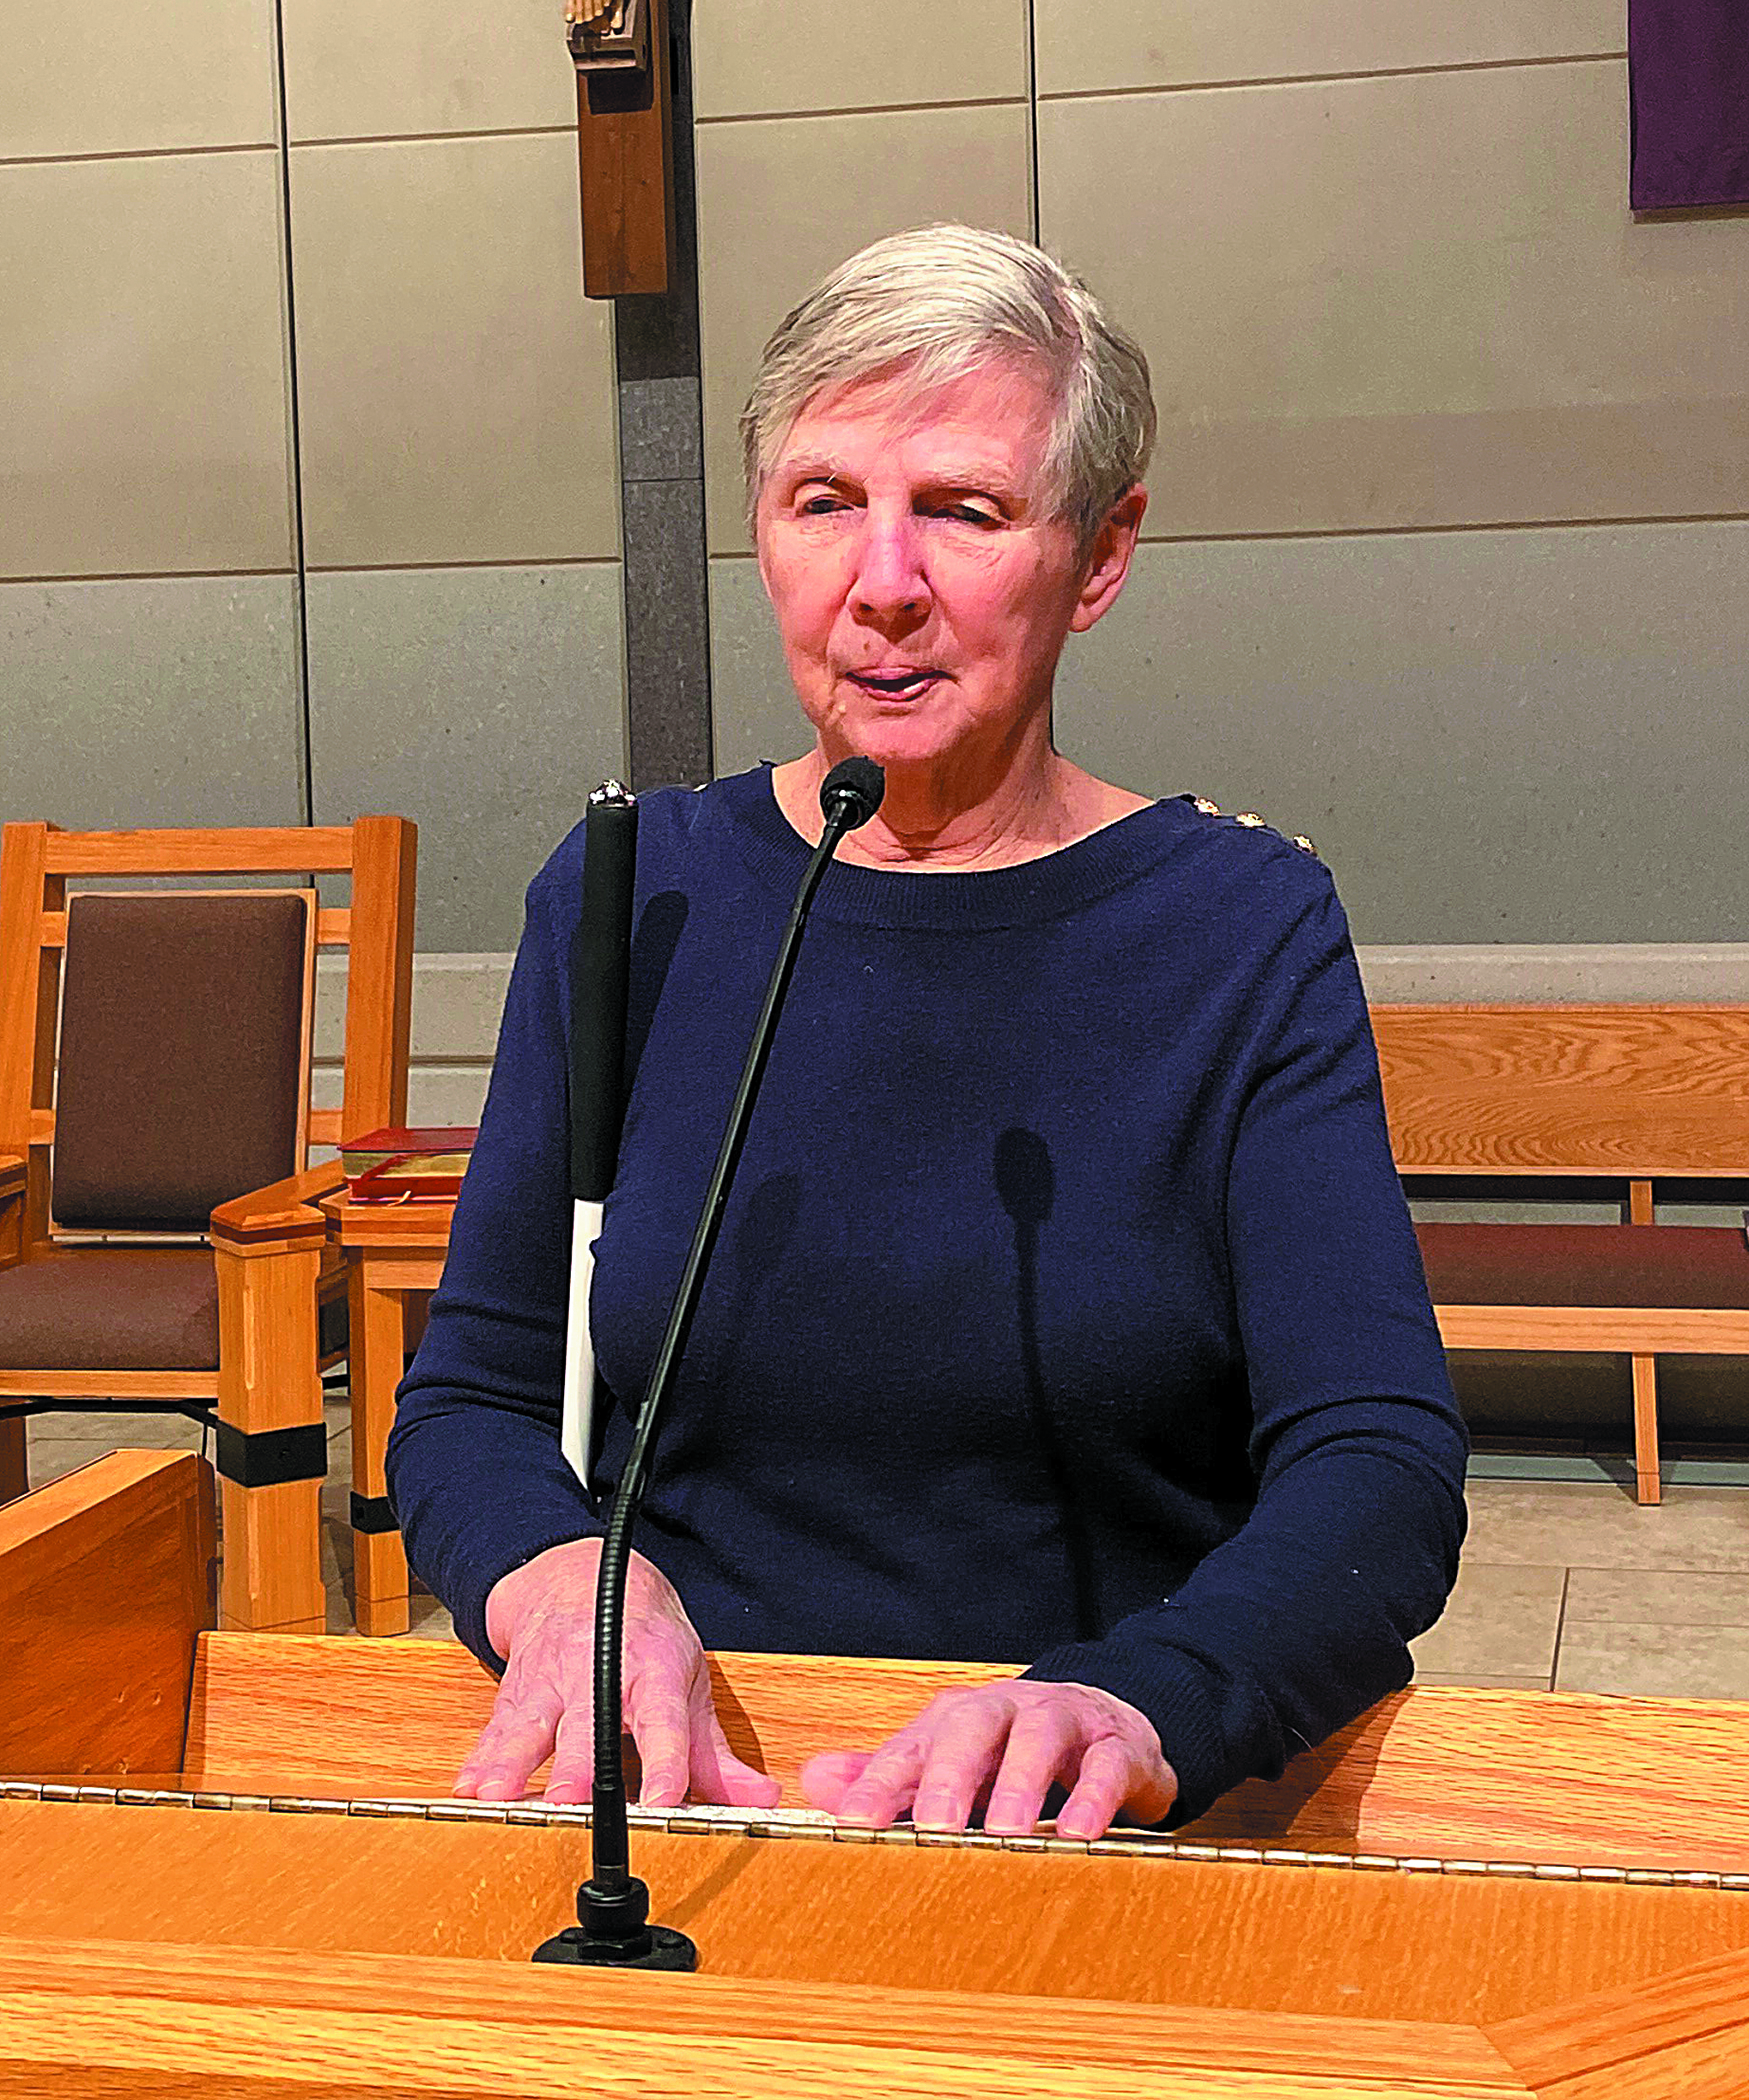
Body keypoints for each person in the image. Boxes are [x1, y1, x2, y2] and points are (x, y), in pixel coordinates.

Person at [386, 223, 1467, 1843]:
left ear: (1100, 555)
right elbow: (471, 1393)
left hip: (1096, 1810)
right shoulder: (635, 897)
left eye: (964, 510)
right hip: (691, 1790)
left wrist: (1144, 1695)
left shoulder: (1239, 925)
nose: (883, 585)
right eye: (825, 501)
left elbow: (1376, 1459)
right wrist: (560, 1594)